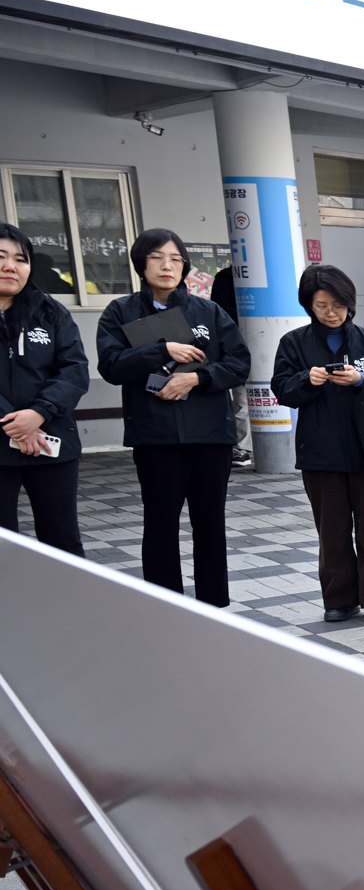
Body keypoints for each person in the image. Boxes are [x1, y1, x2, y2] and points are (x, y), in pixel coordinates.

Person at [95, 229, 250, 607]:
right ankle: (165, 605)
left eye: (176, 258)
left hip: (210, 435)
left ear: (185, 265)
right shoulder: (121, 311)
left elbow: (239, 363)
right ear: (140, 264)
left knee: (209, 523)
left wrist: (196, 378)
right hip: (156, 436)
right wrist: (159, 349)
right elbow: (111, 366)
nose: (167, 266)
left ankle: (215, 605)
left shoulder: (208, 311)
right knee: (161, 523)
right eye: (156, 257)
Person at [269, 263, 364, 623]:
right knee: (331, 530)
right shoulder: (294, 344)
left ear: (350, 303)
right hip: (320, 452)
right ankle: (339, 599)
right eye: (321, 306)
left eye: (338, 305)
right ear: (309, 306)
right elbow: (281, 389)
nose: (331, 313)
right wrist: (306, 379)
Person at [0, 221, 90, 555]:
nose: (11, 266)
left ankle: (69, 607)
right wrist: (15, 423)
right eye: (1, 256)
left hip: (52, 443)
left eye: (20, 259)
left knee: (63, 541)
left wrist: (39, 413)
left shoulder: (50, 311)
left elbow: (74, 369)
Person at [209, 265, 253, 469]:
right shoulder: (226, 278)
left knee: (247, 397)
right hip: (238, 343)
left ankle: (246, 447)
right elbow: (221, 312)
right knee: (242, 397)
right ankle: (244, 447)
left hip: (266, 341)